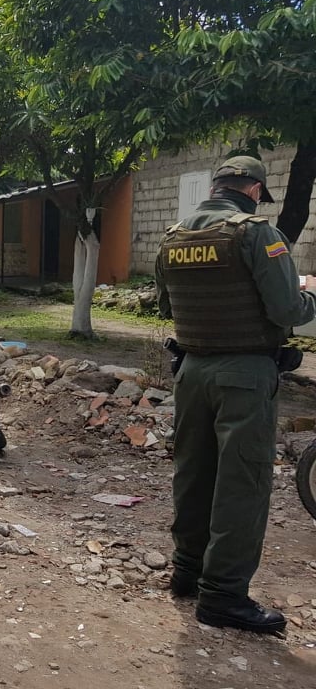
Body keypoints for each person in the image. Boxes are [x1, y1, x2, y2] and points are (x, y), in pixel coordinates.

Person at [155, 154, 316, 636]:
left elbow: (166, 306)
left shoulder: (173, 236)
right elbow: (287, 308)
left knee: (193, 473)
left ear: (216, 186)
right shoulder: (258, 234)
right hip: (244, 374)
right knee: (241, 484)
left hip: (191, 371)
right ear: (254, 191)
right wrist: (309, 293)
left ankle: (187, 572)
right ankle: (223, 595)